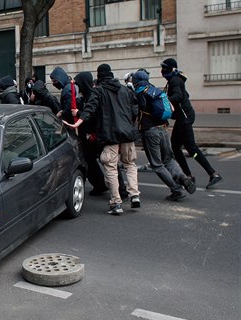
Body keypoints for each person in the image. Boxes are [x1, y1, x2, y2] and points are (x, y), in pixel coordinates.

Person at [66, 64, 141, 215]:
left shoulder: (98, 90)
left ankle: (116, 203)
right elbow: (135, 108)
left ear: (99, 76)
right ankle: (134, 195)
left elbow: (91, 109)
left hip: (110, 135)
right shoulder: (125, 90)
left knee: (111, 167)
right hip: (127, 133)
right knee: (130, 164)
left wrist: (78, 120)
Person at [132, 70, 197, 201]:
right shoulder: (157, 90)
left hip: (151, 131)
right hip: (164, 128)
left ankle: (177, 190)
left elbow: (135, 111)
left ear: (136, 81)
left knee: (157, 164)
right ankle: (183, 178)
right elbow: (171, 108)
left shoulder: (139, 93)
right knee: (168, 159)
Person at [161, 58, 223, 189]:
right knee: (178, 147)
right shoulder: (175, 79)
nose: (162, 71)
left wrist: (164, 102)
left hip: (185, 118)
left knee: (190, 148)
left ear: (171, 69)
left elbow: (178, 96)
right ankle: (190, 175)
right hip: (184, 117)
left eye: (165, 68)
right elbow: (185, 95)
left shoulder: (174, 81)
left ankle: (212, 174)